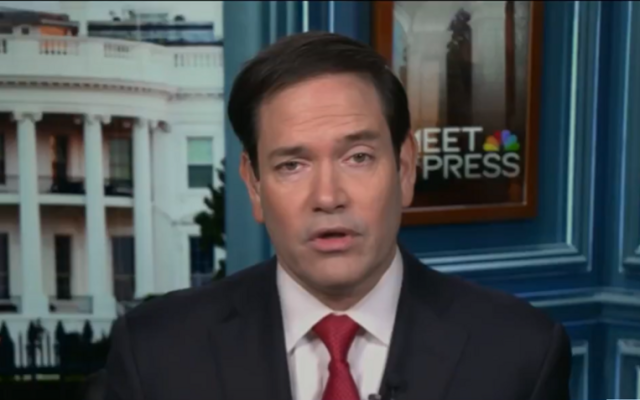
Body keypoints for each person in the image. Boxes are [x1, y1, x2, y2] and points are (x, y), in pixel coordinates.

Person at [101, 31, 571, 400]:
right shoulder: (155, 354)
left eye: (358, 157)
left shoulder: (520, 354)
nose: (327, 197)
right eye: (292, 165)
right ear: (254, 185)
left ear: (405, 168)